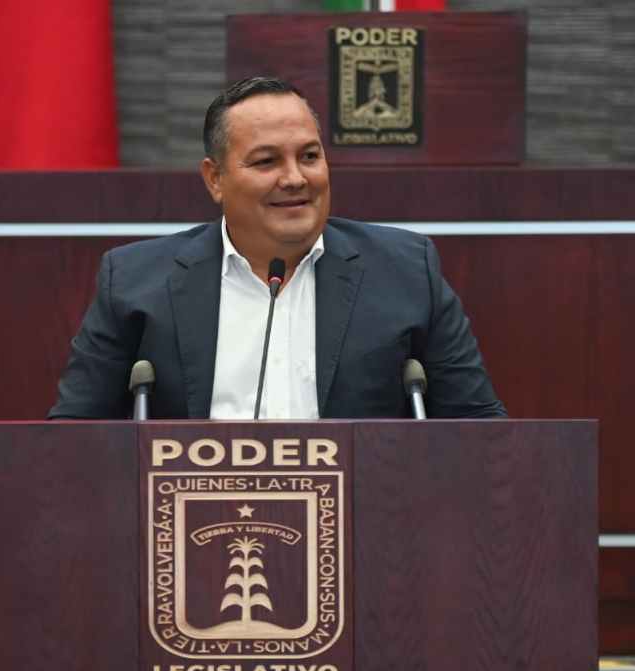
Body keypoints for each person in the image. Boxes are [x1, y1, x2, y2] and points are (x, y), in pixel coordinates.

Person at [48, 76, 506, 420]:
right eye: (267, 161)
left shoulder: (406, 272)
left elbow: (480, 432)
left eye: (309, 156)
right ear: (214, 179)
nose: (295, 178)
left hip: (366, 513)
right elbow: (74, 441)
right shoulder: (135, 282)